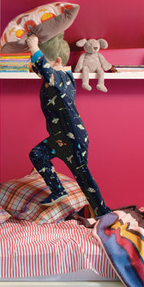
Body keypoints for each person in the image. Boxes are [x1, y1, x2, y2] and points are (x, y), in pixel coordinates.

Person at [27, 34, 110, 218]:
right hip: (59, 138)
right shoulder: (49, 80)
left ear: (56, 61)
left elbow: (46, 70)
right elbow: (43, 70)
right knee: (37, 154)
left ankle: (103, 214)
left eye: (38, 61)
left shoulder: (63, 78)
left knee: (83, 178)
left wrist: (33, 46)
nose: (34, 66)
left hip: (73, 137)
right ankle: (58, 190)